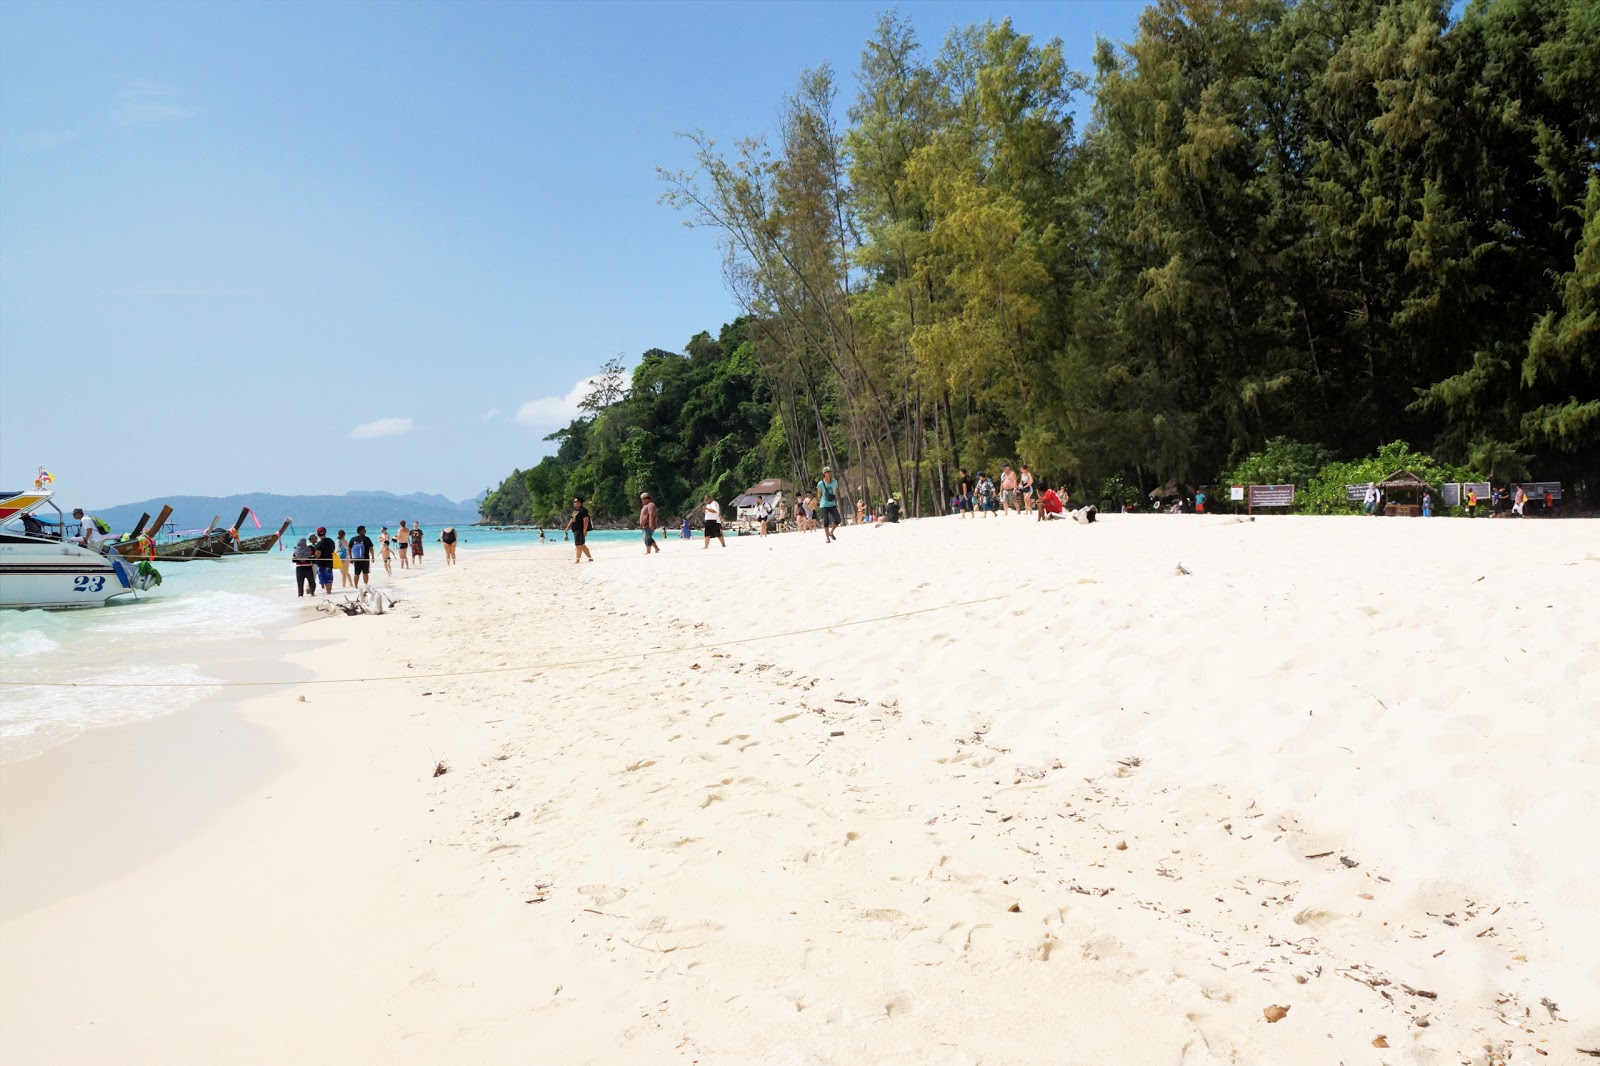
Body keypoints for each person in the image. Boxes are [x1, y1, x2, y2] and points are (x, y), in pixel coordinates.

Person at [816, 466, 842, 543]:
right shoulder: (821, 483)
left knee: (838, 519)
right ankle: (827, 538)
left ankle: (831, 532)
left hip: (832, 504)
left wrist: (833, 497)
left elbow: (834, 492)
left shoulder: (834, 482)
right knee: (826, 520)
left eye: (830, 471)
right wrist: (819, 501)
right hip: (824, 504)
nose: (829, 473)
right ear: (824, 474)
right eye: (827, 472)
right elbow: (819, 493)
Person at [566, 497, 593, 563]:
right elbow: (572, 519)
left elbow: (586, 520)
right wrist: (568, 527)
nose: (574, 503)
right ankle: (590, 558)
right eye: (574, 502)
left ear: (580, 502)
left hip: (580, 530)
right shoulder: (575, 511)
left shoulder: (583, 510)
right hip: (575, 530)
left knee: (578, 545)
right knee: (582, 545)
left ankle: (577, 560)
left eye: (575, 501)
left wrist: (585, 530)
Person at [314, 526, 336, 594]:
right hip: (329, 562)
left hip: (321, 564)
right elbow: (333, 551)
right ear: (325, 532)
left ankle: (326, 592)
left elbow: (318, 554)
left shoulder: (319, 544)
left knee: (322, 579)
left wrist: (314, 556)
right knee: (329, 579)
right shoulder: (331, 541)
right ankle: (329, 592)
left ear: (317, 534)